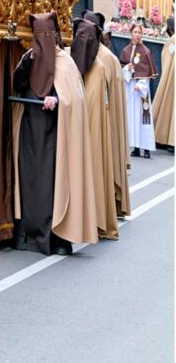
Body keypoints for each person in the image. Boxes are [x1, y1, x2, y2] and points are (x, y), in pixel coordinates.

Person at [11, 12, 98, 256]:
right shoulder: (29, 57)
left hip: (55, 134)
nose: (42, 39)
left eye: (46, 34)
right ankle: (27, 234)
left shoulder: (65, 62)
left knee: (53, 183)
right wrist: (27, 64)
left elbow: (74, 98)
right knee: (28, 180)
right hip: (29, 130)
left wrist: (58, 100)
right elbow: (17, 84)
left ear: (55, 35)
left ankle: (56, 237)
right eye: (37, 34)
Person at [70, 16, 119, 240]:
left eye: (88, 38)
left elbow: (97, 107)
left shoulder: (98, 68)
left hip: (92, 130)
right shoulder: (73, 63)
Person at [119, 22, 158, 159]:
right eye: (135, 32)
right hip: (130, 88)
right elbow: (121, 67)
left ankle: (146, 148)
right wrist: (127, 70)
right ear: (131, 34)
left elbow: (148, 73)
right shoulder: (125, 50)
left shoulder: (146, 51)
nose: (137, 35)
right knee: (132, 118)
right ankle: (135, 147)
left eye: (139, 32)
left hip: (141, 90)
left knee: (144, 119)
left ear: (142, 34)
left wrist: (141, 85)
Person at [153, 15, 174, 154]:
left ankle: (164, 138)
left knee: (167, 106)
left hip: (171, 79)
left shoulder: (172, 40)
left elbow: (166, 59)